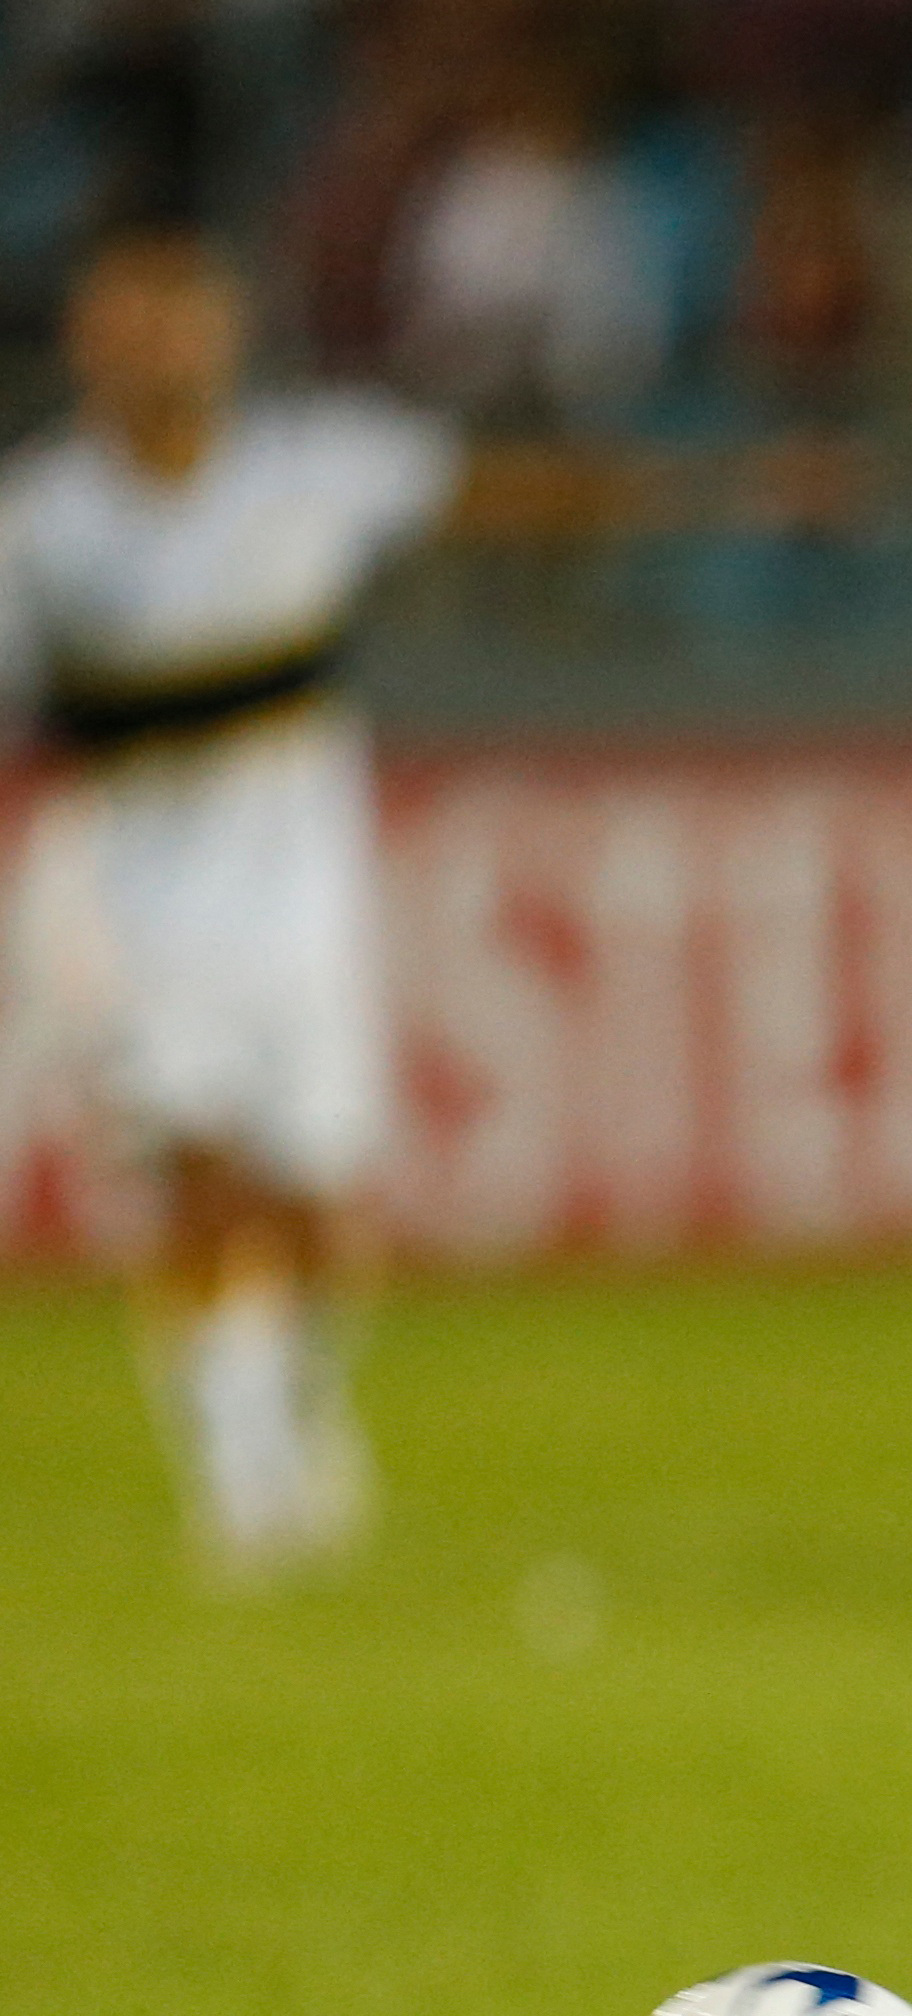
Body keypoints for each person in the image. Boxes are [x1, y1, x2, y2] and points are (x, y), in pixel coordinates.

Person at [0, 224, 460, 1577]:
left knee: (318, 1202)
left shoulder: (313, 472)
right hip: (133, 902)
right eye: (128, 326)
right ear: (88, 345)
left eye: (178, 322)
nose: (157, 352)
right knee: (199, 1171)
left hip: (306, 903)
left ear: (225, 334)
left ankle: (289, 1400)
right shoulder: (40, 527)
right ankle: (242, 1477)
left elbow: (497, 490)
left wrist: (735, 485)